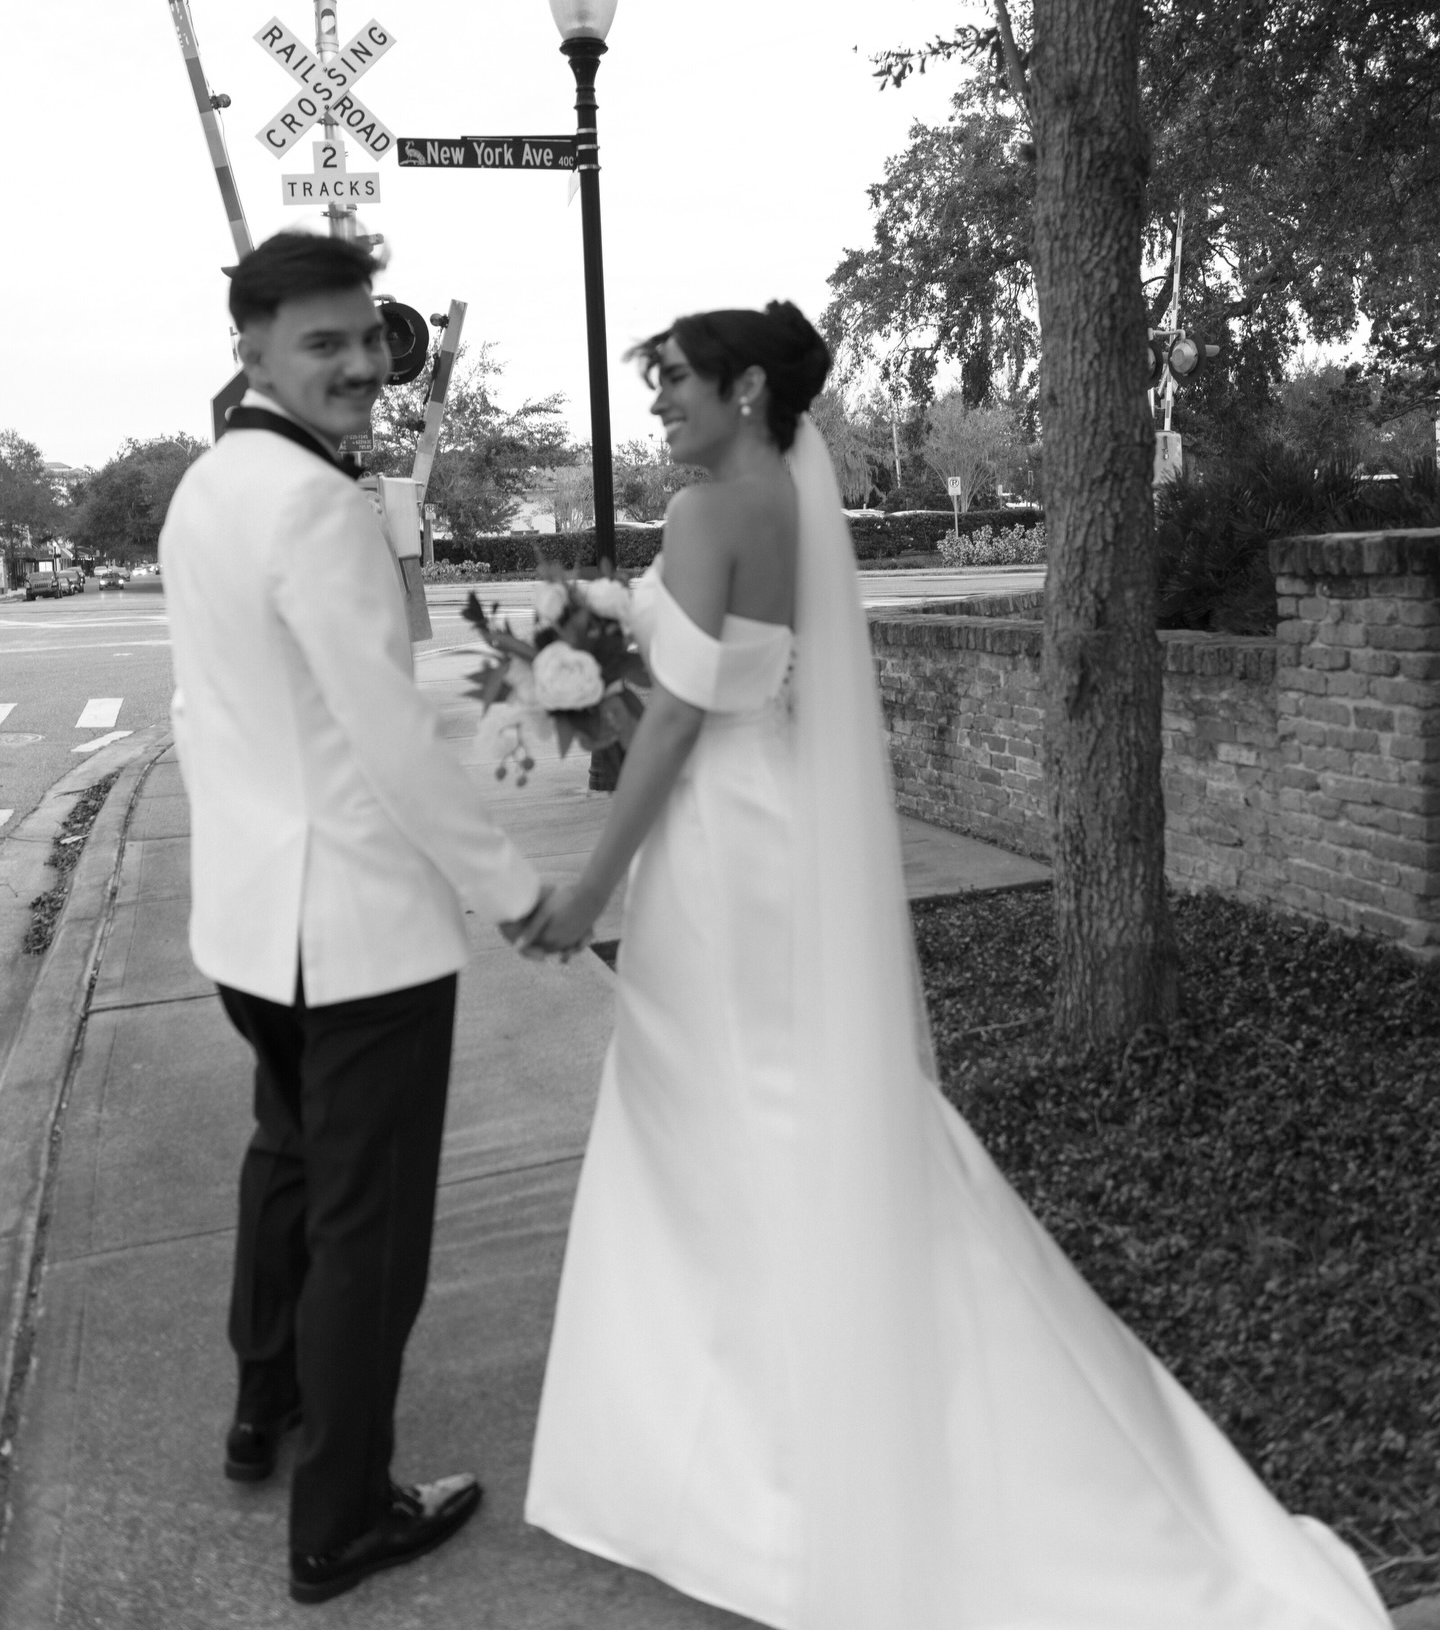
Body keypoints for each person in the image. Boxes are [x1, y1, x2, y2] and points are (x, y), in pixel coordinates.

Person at [512, 304, 1390, 1630]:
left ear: (748, 388)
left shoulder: (704, 513)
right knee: (786, 1113)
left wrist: (587, 882)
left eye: (678, 382)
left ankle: (755, 1463)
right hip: (776, 828)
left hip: (717, 851)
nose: (662, 406)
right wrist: (598, 685)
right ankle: (778, 1427)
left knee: (724, 1118)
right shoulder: (788, 504)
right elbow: (727, 683)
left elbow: (683, 719)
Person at [159, 231, 545, 1607]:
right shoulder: (314, 506)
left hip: (251, 927)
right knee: (365, 1232)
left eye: (368, 337)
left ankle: (262, 1411)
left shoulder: (208, 489)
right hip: (356, 935)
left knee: (289, 1168)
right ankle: (340, 1519)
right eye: (323, 343)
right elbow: (387, 735)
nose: (361, 366)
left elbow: (218, 710)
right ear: (252, 349)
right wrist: (515, 889)